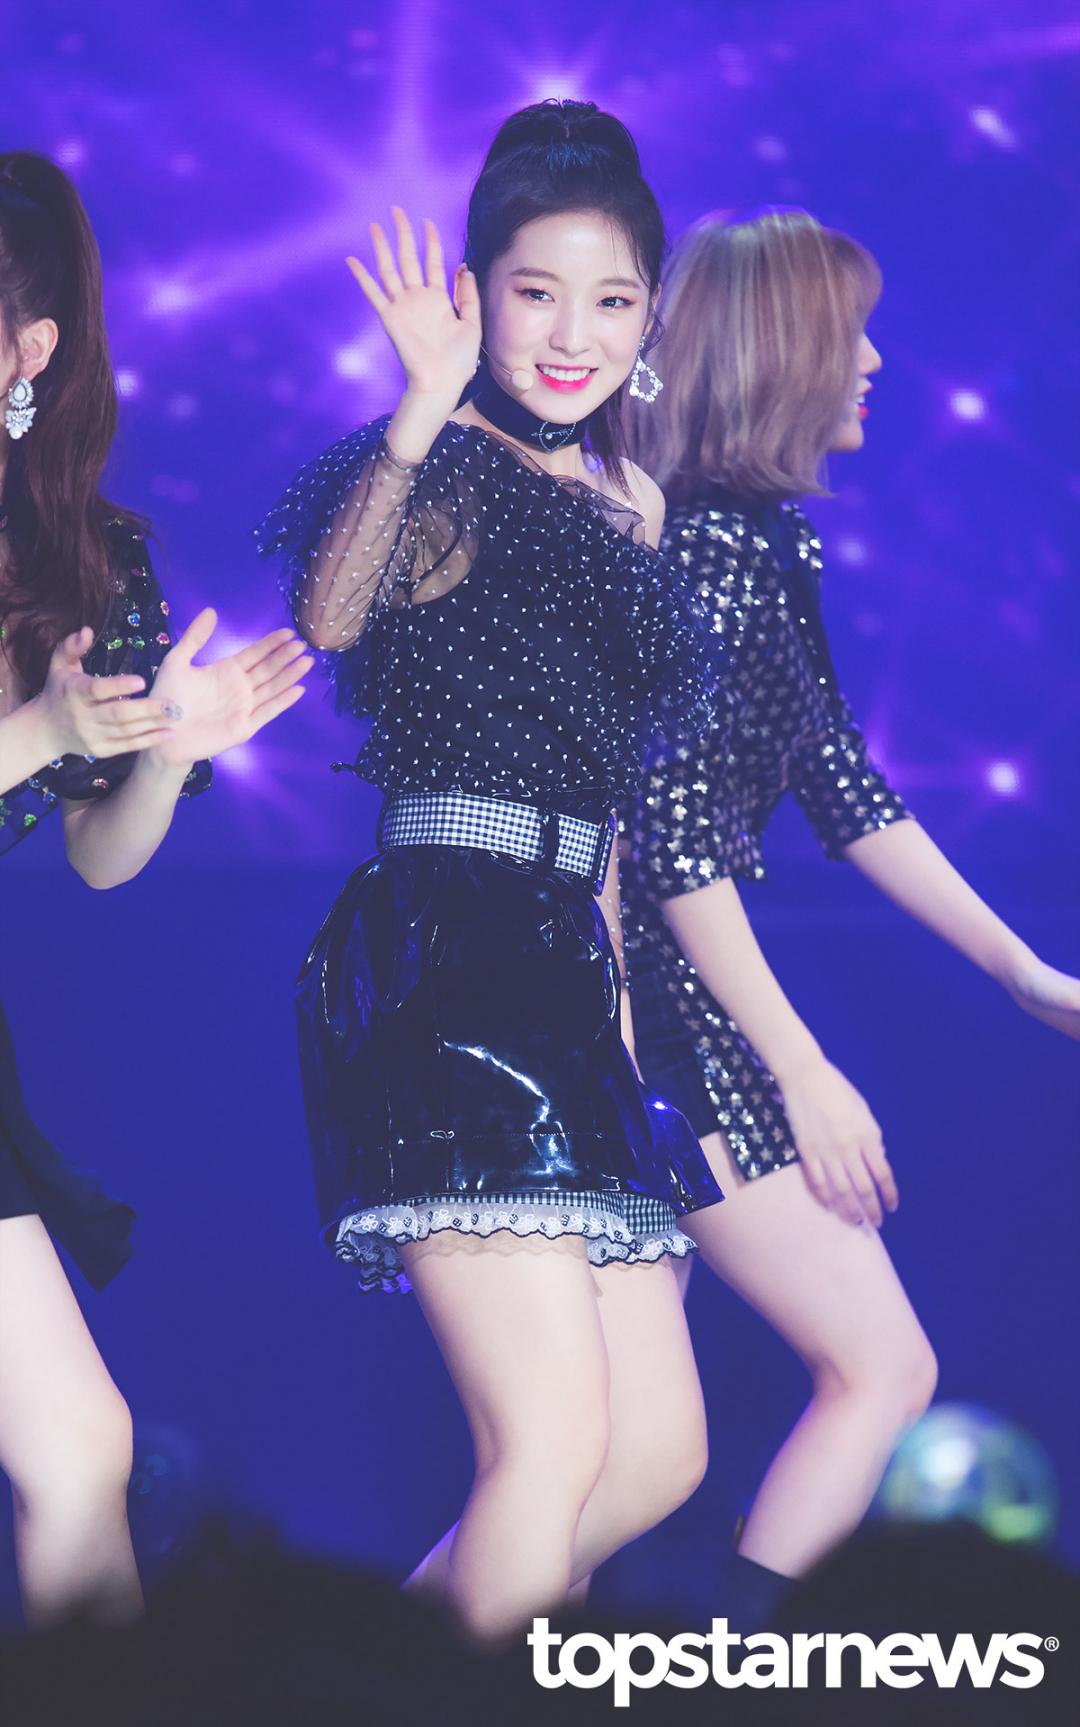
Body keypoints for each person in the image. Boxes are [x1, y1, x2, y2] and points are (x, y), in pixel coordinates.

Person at [257, 100, 729, 1639]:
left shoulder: (635, 507)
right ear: (476, 293)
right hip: (448, 960)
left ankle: (368, 1686)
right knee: (554, 1444)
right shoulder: (444, 469)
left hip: (570, 968)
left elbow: (606, 804)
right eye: (537, 292)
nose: (573, 335)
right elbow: (331, 618)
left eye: (611, 300)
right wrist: (416, 411)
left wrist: (628, 1037)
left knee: (654, 1457)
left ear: (649, 319)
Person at [621, 208, 1080, 1620]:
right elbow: (670, 842)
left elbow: (839, 779)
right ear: (783, 354)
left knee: (616, 1465)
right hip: (663, 1018)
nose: (874, 361)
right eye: (852, 334)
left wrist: (1023, 972)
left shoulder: (755, 542)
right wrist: (803, 1071)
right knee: (873, 1370)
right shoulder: (711, 555)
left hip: (666, 1009)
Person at [0, 150, 310, 1624]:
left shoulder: (89, 563)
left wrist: (164, 759)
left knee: (80, 1448)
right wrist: (45, 729)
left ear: (28, 349)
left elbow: (99, 862)